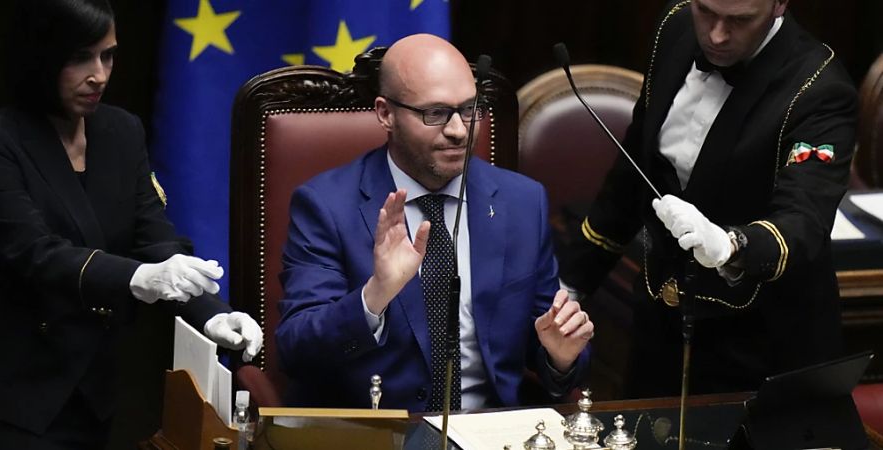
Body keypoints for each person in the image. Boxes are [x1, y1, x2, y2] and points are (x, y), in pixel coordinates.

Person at [0, 0, 263, 447]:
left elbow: (156, 241)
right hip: (20, 396)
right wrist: (139, 277)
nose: (99, 74)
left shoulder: (121, 131)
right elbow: (35, 252)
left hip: (99, 391)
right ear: (40, 56)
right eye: (80, 57)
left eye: (108, 55)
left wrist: (215, 316)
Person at [275, 34, 594, 412]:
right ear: (385, 114)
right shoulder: (327, 206)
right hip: (380, 433)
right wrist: (374, 296)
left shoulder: (522, 203)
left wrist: (560, 356)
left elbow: (550, 345)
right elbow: (296, 351)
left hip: (490, 430)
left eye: (469, 109)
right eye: (435, 113)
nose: (459, 130)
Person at [563, 0, 857, 397]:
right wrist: (570, 284)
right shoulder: (676, 25)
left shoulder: (820, 88)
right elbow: (633, 173)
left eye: (739, 20)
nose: (717, 35)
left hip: (760, 351)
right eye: (707, 12)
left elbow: (804, 220)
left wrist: (731, 245)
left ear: (779, 5)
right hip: (659, 331)